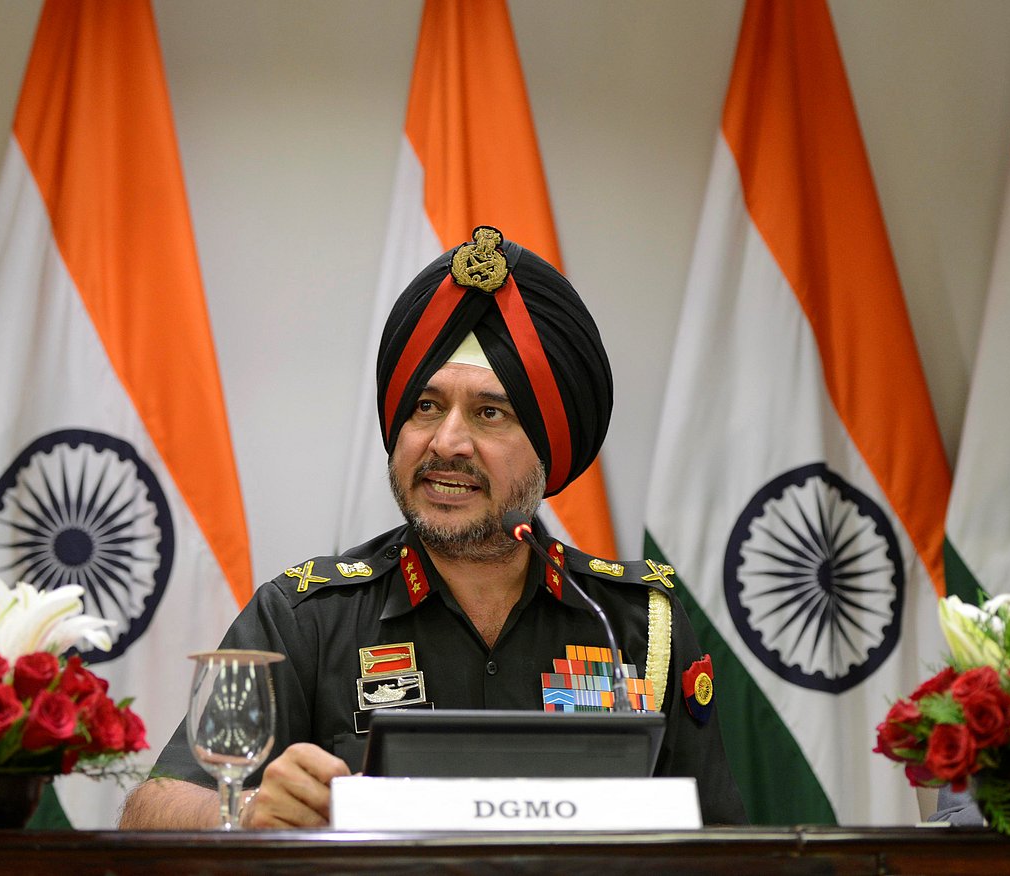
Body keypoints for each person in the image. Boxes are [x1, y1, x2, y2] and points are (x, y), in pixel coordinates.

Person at [119, 227, 747, 829]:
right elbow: (151, 811)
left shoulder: (635, 622)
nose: (447, 443)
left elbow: (718, 850)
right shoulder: (306, 618)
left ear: (548, 447)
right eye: (426, 406)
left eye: (490, 413)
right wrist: (247, 811)